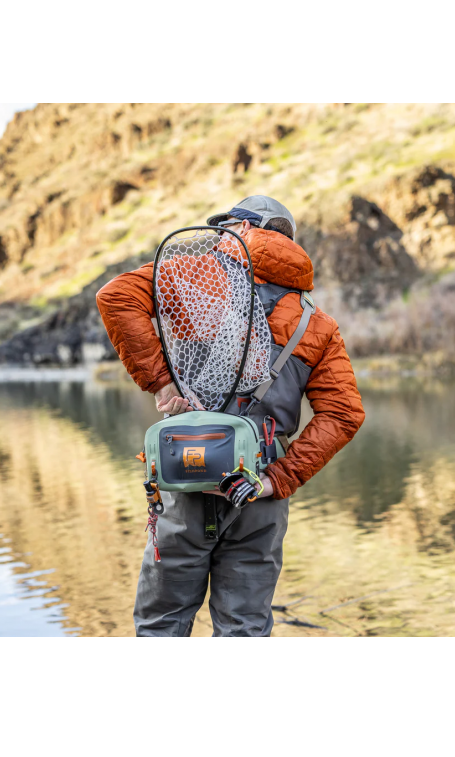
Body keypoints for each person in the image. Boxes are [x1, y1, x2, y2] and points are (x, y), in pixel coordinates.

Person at [96, 195, 365, 636]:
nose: (219, 236)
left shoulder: (195, 275)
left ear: (242, 229)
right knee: (244, 628)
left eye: (225, 227)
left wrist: (160, 382)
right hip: (257, 487)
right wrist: (279, 479)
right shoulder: (317, 324)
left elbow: (116, 296)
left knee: (161, 624)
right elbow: (343, 414)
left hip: (186, 471)